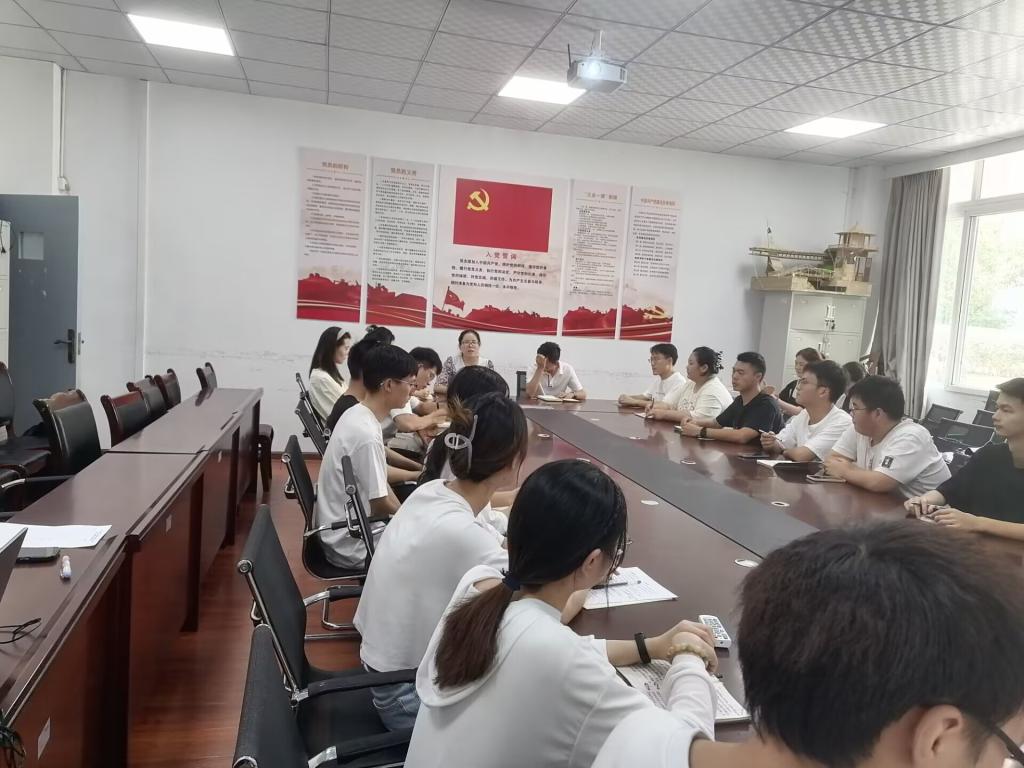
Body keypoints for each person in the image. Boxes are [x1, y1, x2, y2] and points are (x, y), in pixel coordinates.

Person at [593, 520, 1024, 768]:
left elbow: (681, 724)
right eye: (1008, 750)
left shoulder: (637, 738)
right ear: (938, 738)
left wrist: (687, 663)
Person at [406, 459, 718, 768]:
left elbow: (559, 650)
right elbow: (677, 752)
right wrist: (689, 657)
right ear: (592, 562)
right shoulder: (560, 658)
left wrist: (648, 647)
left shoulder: (478, 588)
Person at [354, 393, 529, 730]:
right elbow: (536, 601)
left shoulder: (433, 490)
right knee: (524, 716)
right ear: (511, 462)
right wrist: (587, 570)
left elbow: (496, 548)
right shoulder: (461, 533)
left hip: (383, 672)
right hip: (404, 696)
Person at [315, 345, 419, 568]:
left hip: (348, 526)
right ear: (389, 385)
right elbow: (380, 503)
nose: (412, 390)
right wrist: (413, 520)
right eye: (410, 383)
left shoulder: (358, 414)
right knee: (435, 546)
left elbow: (380, 485)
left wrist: (406, 512)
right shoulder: (365, 433)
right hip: (354, 543)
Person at [906, 377, 1024, 538]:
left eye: (1006, 410)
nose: (995, 416)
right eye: (997, 408)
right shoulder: (988, 455)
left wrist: (977, 523)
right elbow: (948, 491)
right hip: (968, 545)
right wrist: (923, 501)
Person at [825, 375, 950, 497]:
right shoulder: (861, 428)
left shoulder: (911, 436)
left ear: (877, 413)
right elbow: (831, 459)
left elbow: (879, 482)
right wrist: (860, 475)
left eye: (855, 408)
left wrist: (845, 470)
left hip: (926, 509)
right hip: (884, 504)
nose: (851, 413)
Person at [678, 352, 783, 443]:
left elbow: (742, 436)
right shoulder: (740, 400)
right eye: (734, 371)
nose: (734, 376)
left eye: (741, 373)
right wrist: (695, 421)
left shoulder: (766, 404)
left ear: (758, 377)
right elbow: (716, 423)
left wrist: (699, 431)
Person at [760, 360, 851, 461]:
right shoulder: (804, 414)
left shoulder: (842, 422)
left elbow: (801, 456)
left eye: (804, 382)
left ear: (823, 391)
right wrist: (771, 443)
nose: (798, 387)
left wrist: (785, 451)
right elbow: (780, 443)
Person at [646, 347, 732, 423]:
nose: (687, 367)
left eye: (691, 363)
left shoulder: (713, 390)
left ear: (704, 368)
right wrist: (655, 406)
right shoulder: (690, 383)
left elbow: (698, 418)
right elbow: (669, 404)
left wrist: (663, 414)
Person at [618, 343, 686, 407]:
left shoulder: (679, 382)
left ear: (669, 361)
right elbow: (645, 396)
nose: (652, 363)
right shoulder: (659, 380)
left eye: (656, 359)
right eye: (651, 359)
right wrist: (627, 397)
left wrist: (634, 402)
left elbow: (663, 405)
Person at [307, 326, 351, 420]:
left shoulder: (329, 375)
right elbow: (342, 414)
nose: (348, 352)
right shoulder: (320, 379)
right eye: (346, 348)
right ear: (332, 348)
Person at [434, 329, 495, 396]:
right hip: (456, 400)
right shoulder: (451, 362)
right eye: (466, 342)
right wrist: (458, 392)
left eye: (474, 342)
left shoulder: (487, 364)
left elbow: (493, 388)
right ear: (460, 346)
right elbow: (438, 386)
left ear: (479, 345)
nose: (470, 345)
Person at [771, 347, 822, 418]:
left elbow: (803, 412)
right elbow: (781, 399)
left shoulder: (816, 388)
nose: (797, 367)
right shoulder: (792, 385)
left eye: (801, 364)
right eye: (796, 363)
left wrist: (777, 401)